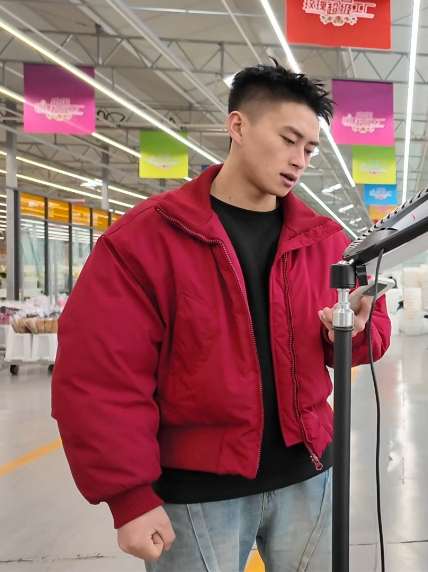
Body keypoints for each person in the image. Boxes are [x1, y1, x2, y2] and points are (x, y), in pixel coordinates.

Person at [51, 62, 391, 571]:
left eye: (309, 149)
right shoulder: (146, 240)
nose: (299, 160)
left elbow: (370, 331)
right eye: (288, 140)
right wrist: (130, 497)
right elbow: (100, 374)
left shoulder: (326, 241)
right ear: (238, 126)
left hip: (310, 476)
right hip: (198, 496)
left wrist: (352, 332)